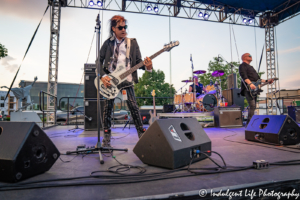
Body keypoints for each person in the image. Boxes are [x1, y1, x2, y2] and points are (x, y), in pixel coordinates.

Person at [98, 15, 153, 147]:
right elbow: (98, 61)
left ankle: (142, 136)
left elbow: (139, 62)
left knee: (134, 107)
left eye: (125, 27)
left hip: (127, 79)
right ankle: (106, 139)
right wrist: (102, 76)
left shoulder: (132, 43)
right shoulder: (107, 43)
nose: (123, 29)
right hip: (111, 80)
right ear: (113, 29)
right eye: (120, 27)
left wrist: (148, 66)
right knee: (107, 110)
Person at [239, 53, 273, 126]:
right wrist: (250, 84)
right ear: (244, 57)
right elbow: (243, 75)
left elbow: (258, 79)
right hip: (248, 88)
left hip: (254, 89)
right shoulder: (242, 66)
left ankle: (250, 124)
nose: (251, 56)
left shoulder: (251, 67)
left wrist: (267, 81)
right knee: (252, 105)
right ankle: (249, 125)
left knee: (253, 106)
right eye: (250, 56)